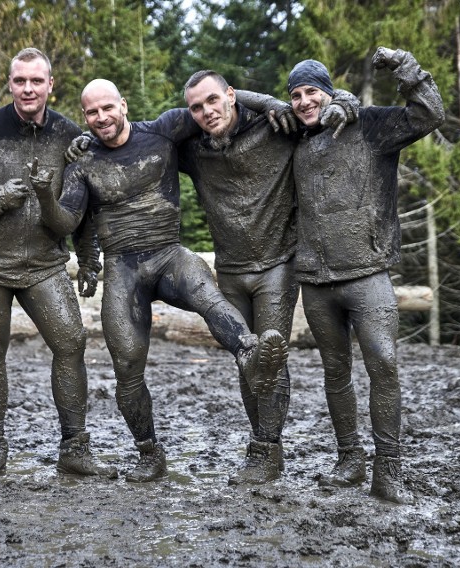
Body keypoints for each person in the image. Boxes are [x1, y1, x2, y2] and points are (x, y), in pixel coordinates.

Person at [31, 78, 288, 483]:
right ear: (85, 117)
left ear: (124, 105)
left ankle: (250, 354)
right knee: (127, 366)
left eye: (107, 108)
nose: (102, 118)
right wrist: (45, 196)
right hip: (123, 269)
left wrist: (272, 102)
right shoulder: (82, 163)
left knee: (205, 290)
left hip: (168, 252)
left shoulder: (165, 128)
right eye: (92, 112)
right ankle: (149, 452)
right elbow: (66, 221)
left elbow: (216, 105)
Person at [179, 70, 359, 485]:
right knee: (246, 360)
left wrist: (265, 101)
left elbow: (328, 103)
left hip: (277, 263)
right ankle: (267, 451)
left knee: (270, 355)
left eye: (213, 100)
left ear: (230, 95)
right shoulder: (192, 147)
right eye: (196, 107)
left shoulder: (276, 125)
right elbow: (142, 134)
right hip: (230, 268)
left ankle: (264, 450)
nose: (207, 112)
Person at [0, 48, 115, 478]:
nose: (28, 88)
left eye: (36, 81)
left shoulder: (69, 135)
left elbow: (84, 201)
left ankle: (75, 446)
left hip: (44, 263)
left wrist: (89, 258)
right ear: (10, 82)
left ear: (50, 85)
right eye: (20, 81)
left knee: (71, 342)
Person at [287, 48, 444, 503]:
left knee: (384, 365)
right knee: (335, 373)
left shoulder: (369, 126)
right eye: (295, 95)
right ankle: (350, 460)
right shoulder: (293, 138)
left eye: (311, 91)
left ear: (329, 92)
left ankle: (388, 470)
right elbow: (253, 103)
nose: (302, 101)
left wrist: (404, 64)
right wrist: (314, 102)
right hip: (314, 281)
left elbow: (430, 114)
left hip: (368, 273)